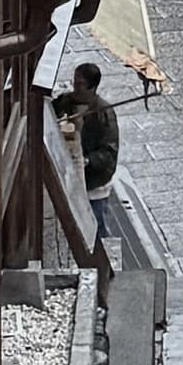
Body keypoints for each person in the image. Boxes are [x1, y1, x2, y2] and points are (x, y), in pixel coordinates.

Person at [58, 57, 121, 263]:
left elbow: (109, 151)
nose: (75, 88)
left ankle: (102, 263)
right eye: (74, 82)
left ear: (92, 87)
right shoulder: (66, 102)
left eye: (80, 85)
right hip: (70, 174)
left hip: (94, 180)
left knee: (97, 225)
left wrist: (88, 160)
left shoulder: (104, 113)